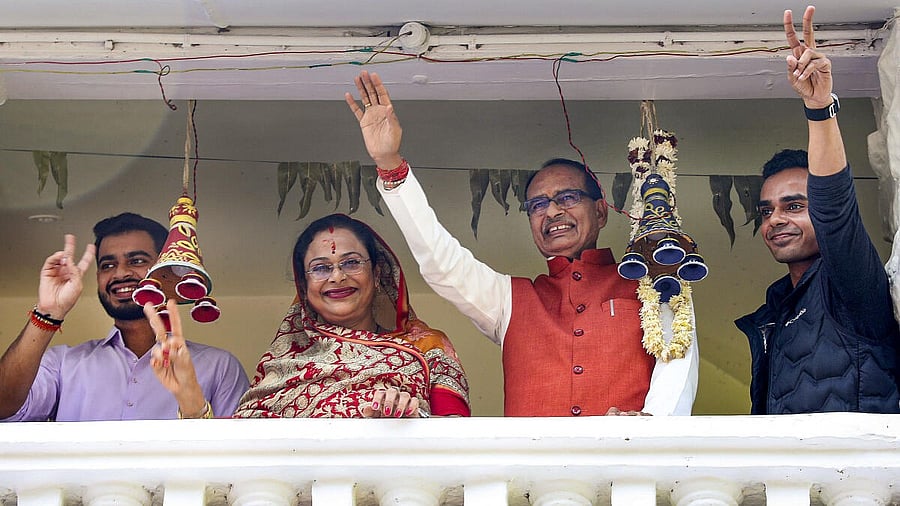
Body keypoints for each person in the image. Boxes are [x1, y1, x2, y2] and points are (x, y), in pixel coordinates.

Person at [344, 73, 698, 417]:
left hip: (625, 469)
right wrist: (389, 164)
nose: (553, 211)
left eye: (568, 197)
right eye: (538, 205)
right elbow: (441, 262)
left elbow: (677, 364)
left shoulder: (650, 281)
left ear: (601, 212)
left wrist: (651, 434)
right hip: (530, 478)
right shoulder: (509, 301)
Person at [736, 7, 900, 414]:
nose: (776, 219)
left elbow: (835, 210)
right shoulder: (773, 311)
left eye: (794, 206)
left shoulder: (849, 284)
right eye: (766, 210)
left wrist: (819, 107)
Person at [183, 213, 469, 418]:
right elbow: (246, 449)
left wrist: (411, 419)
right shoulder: (283, 364)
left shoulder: (427, 348)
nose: (337, 276)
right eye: (321, 267)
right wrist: (194, 407)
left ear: (377, 272)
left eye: (351, 262)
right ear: (304, 286)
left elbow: (457, 445)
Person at [0, 213, 249, 421]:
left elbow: (238, 465)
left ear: (166, 272)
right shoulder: (64, 364)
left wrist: (193, 404)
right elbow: (4, 407)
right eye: (107, 265)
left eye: (137, 260)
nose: (120, 274)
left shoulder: (219, 366)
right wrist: (49, 312)